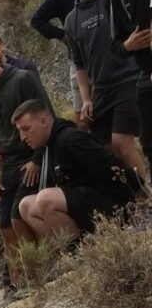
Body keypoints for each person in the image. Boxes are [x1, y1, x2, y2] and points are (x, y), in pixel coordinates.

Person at [0, 37, 54, 276]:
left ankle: (42, 269)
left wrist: (37, 158)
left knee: (18, 219)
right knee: (5, 225)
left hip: (33, 157)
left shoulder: (23, 79)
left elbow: (47, 118)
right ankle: (19, 279)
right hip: (9, 166)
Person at [13, 98, 143, 245]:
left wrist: (142, 199)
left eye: (26, 129)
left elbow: (113, 166)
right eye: (20, 131)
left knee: (45, 199)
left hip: (116, 206)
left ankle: (80, 256)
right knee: (26, 206)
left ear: (43, 122)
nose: (22, 137)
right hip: (88, 203)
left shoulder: (70, 139)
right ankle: (68, 253)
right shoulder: (49, 146)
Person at [64, 0, 147, 173]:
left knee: (121, 141)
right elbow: (79, 64)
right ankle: (133, 195)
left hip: (127, 77)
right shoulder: (70, 21)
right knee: (106, 149)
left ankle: (147, 196)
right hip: (100, 88)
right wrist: (86, 99)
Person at [31, 0, 81, 118]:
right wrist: (62, 35)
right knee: (82, 117)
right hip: (78, 59)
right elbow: (37, 20)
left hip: (106, 57)